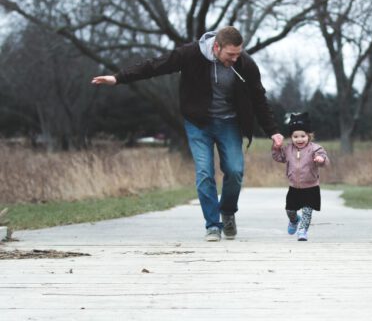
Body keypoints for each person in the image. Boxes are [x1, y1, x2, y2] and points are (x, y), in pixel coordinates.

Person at [92, 26, 284, 242]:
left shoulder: (245, 64)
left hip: (229, 123)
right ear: (216, 46)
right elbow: (156, 66)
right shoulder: (190, 54)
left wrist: (273, 132)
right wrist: (118, 78)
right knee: (204, 173)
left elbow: (259, 98)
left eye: (238, 54)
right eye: (230, 55)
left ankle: (227, 211)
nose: (234, 59)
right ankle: (213, 225)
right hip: (198, 123)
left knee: (235, 171)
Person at [272, 112, 329, 241]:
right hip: (294, 187)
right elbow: (278, 157)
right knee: (290, 210)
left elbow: (324, 159)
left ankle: (303, 230)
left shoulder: (315, 149)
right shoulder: (288, 149)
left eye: (303, 136)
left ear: (309, 136)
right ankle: (294, 220)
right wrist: (276, 148)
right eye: (295, 136)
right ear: (291, 137)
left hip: (311, 187)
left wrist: (321, 159)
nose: (299, 139)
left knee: (307, 212)